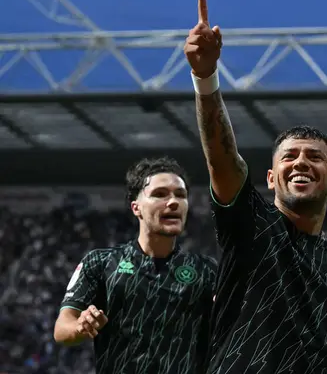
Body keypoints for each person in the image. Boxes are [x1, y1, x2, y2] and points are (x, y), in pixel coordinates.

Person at [184, 0, 327, 374]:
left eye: (314, 157)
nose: (301, 162)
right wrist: (205, 77)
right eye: (289, 156)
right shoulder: (251, 224)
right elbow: (223, 161)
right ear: (271, 177)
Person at [53, 157, 217, 374]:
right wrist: (80, 326)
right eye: (160, 194)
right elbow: (61, 330)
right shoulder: (100, 263)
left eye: (181, 195)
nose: (173, 202)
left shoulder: (206, 270)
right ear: (136, 207)